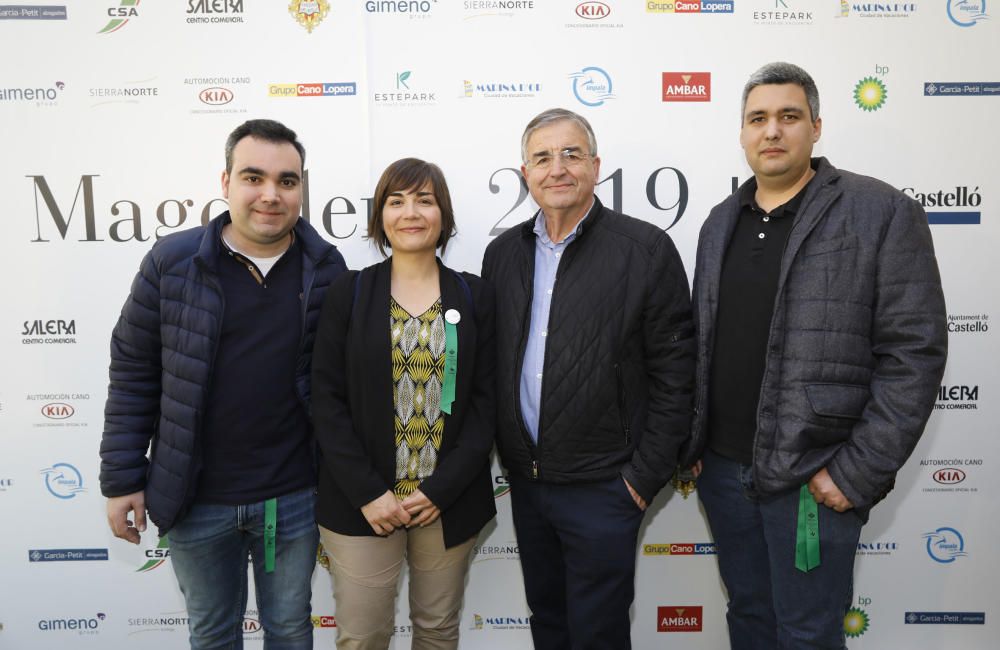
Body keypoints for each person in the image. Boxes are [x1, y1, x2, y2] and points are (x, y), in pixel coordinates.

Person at [683, 62, 948, 648]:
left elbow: (915, 354)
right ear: (742, 134)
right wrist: (694, 441)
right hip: (725, 474)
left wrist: (855, 471)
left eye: (788, 117)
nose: (771, 131)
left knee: (807, 634)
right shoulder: (719, 222)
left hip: (812, 478)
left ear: (816, 127)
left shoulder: (879, 212)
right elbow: (701, 343)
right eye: (758, 119)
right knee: (749, 618)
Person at [99, 119, 347, 649]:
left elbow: (338, 384)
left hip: (292, 497)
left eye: (287, 181)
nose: (270, 195)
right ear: (225, 181)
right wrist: (122, 478)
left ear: (302, 188)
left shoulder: (326, 268)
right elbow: (133, 371)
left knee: (290, 630)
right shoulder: (172, 263)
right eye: (253, 177)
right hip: (194, 498)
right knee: (212, 635)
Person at [481, 108, 695, 649]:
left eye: (572, 154)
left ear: (596, 166)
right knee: (548, 626)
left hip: (606, 487)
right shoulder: (502, 255)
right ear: (524, 172)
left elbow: (677, 376)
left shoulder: (644, 250)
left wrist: (640, 481)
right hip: (528, 486)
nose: (558, 168)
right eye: (542, 157)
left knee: (597, 635)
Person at [311, 158, 496, 650]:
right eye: (396, 201)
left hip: (446, 504)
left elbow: (486, 403)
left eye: (425, 200)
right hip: (363, 506)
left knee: (437, 633)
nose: (410, 212)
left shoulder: (475, 295)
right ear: (380, 218)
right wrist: (368, 493)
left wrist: (441, 490)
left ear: (444, 215)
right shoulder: (347, 293)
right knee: (363, 637)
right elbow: (324, 400)